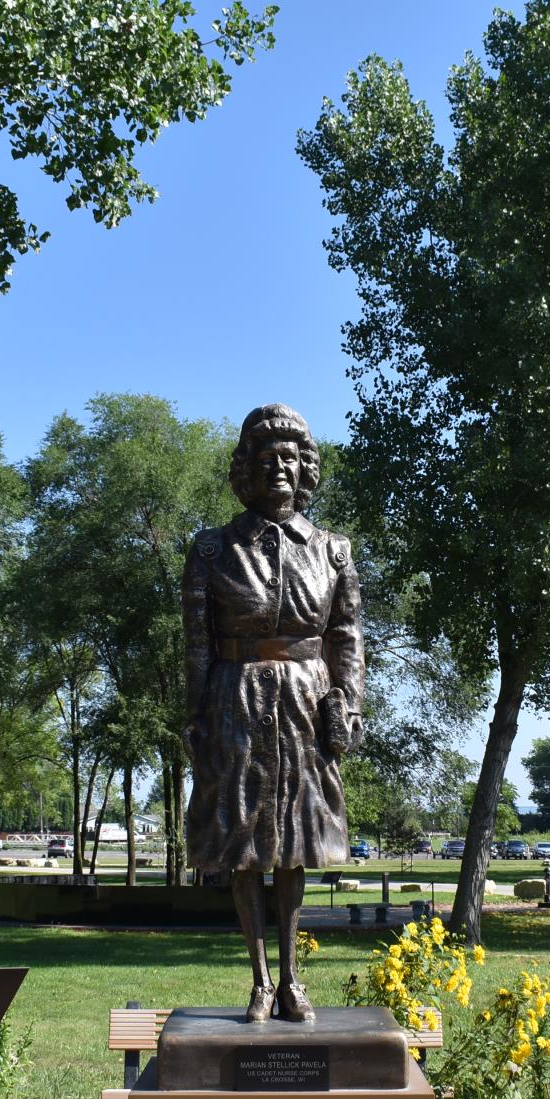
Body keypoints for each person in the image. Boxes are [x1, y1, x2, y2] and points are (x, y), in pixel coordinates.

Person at [184, 405, 364, 1023]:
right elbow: (197, 641)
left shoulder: (333, 551)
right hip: (236, 696)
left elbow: (346, 634)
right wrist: (196, 713)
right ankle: (259, 979)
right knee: (243, 840)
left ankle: (292, 979)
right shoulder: (212, 549)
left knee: (294, 842)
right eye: (266, 458)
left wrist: (350, 703)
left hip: (306, 703)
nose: (278, 468)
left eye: (289, 457)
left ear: (305, 469)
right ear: (247, 471)